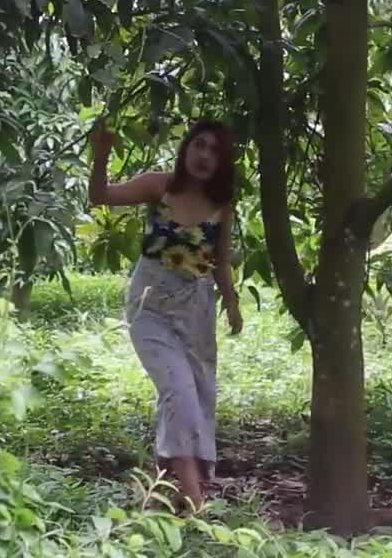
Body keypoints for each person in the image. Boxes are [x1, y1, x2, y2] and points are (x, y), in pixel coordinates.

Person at [88, 117, 242, 514]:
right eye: (199, 145)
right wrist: (102, 153)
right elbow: (101, 195)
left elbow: (220, 261)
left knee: (199, 396)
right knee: (179, 393)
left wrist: (232, 302)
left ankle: (160, 493)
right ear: (186, 147)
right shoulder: (160, 186)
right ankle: (195, 501)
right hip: (150, 307)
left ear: (223, 162)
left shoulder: (222, 206)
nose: (204, 156)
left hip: (196, 313)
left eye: (214, 151)